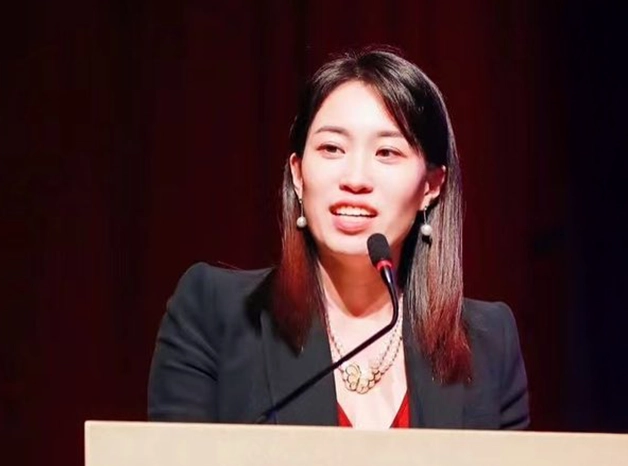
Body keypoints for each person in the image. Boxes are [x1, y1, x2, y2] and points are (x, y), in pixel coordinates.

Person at [148, 47, 529, 430]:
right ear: (298, 174)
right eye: (332, 149)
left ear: (431, 186)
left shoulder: (488, 342)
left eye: (387, 152)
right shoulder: (217, 313)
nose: (355, 179)